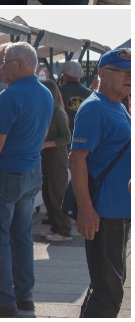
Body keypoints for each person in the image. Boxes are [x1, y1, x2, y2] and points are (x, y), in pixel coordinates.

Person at [0, 42, 53, 317]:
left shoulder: (10, 96)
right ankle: (24, 296)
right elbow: (40, 136)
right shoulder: (45, 93)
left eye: (5, 62)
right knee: (22, 237)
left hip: (3, 174)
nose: (0, 67)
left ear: (20, 64)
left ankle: (5, 299)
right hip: (29, 172)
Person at [70, 47, 131, 317]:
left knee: (108, 286)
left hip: (118, 210)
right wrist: (85, 208)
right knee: (108, 291)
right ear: (102, 74)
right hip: (103, 212)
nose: (129, 77)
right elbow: (77, 159)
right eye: (122, 72)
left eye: (132, 72)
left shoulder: (117, 105)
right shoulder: (95, 107)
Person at [37, 77, 73, 243]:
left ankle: (64, 230)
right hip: (48, 154)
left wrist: (46, 144)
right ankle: (55, 226)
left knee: (58, 193)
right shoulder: (49, 110)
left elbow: (66, 138)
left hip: (57, 154)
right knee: (49, 192)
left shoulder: (58, 112)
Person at [57, 60, 93, 130]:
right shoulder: (90, 94)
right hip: (83, 135)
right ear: (79, 76)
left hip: (62, 137)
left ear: (64, 75)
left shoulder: (58, 92)